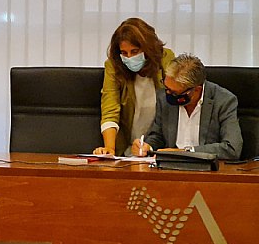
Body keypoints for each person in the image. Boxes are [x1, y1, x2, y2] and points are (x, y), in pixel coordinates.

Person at [132, 53, 242, 159]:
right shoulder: (163, 98)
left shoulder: (223, 101)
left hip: (207, 170)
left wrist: (186, 152)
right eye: (167, 88)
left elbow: (232, 148)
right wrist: (147, 147)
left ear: (196, 90)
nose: (168, 94)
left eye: (175, 93)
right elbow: (158, 136)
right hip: (168, 168)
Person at [94, 18, 175, 156]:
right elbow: (110, 109)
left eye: (135, 51)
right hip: (127, 148)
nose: (129, 57)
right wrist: (110, 149)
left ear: (148, 48)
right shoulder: (114, 65)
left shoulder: (165, 59)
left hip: (160, 148)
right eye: (124, 53)